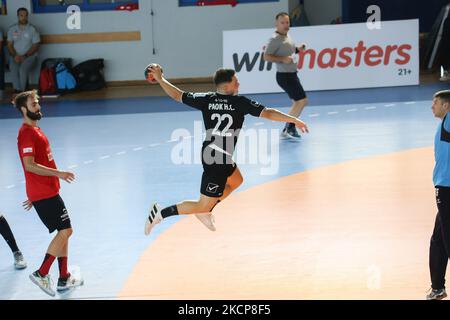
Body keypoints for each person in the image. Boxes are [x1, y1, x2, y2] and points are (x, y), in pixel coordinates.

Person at [143, 65, 309, 235]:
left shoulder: (207, 99)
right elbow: (268, 113)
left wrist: (161, 79)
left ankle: (206, 210)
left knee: (236, 180)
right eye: (236, 82)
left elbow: (178, 95)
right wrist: (294, 120)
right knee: (202, 204)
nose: (239, 85)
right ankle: (160, 213)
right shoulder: (241, 103)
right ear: (227, 86)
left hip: (216, 155)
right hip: (216, 161)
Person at [14, 90, 83, 297]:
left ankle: (64, 277)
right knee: (66, 231)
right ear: (24, 109)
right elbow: (30, 165)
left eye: (37, 102)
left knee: (64, 232)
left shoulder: (36, 130)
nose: (38, 105)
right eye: (33, 104)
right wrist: (59, 173)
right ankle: (41, 273)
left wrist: (34, 194)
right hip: (44, 192)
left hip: (44, 191)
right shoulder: (27, 132)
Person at [263, 12, 308, 140]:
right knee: (302, 101)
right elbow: (266, 56)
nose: (285, 25)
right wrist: (282, 59)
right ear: (276, 24)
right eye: (282, 22)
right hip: (285, 76)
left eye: (287, 22)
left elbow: (290, 50)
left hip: (291, 74)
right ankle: (290, 127)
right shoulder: (274, 39)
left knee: (296, 102)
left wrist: (299, 49)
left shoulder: (286, 35)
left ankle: (288, 127)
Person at [428, 90, 450, 300]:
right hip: (443, 187)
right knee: (438, 240)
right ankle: (437, 287)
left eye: (435, 102)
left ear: (446, 105)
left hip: (447, 189)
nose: (432, 106)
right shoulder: (443, 122)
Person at [7, 8, 40, 95]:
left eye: (25, 15)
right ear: (18, 16)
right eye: (21, 15)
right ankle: (17, 91)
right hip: (15, 56)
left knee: (22, 69)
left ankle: (22, 93)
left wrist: (25, 56)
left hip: (30, 57)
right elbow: (9, 45)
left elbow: (36, 45)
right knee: (13, 68)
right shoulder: (12, 29)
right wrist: (15, 56)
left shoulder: (32, 29)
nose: (24, 17)